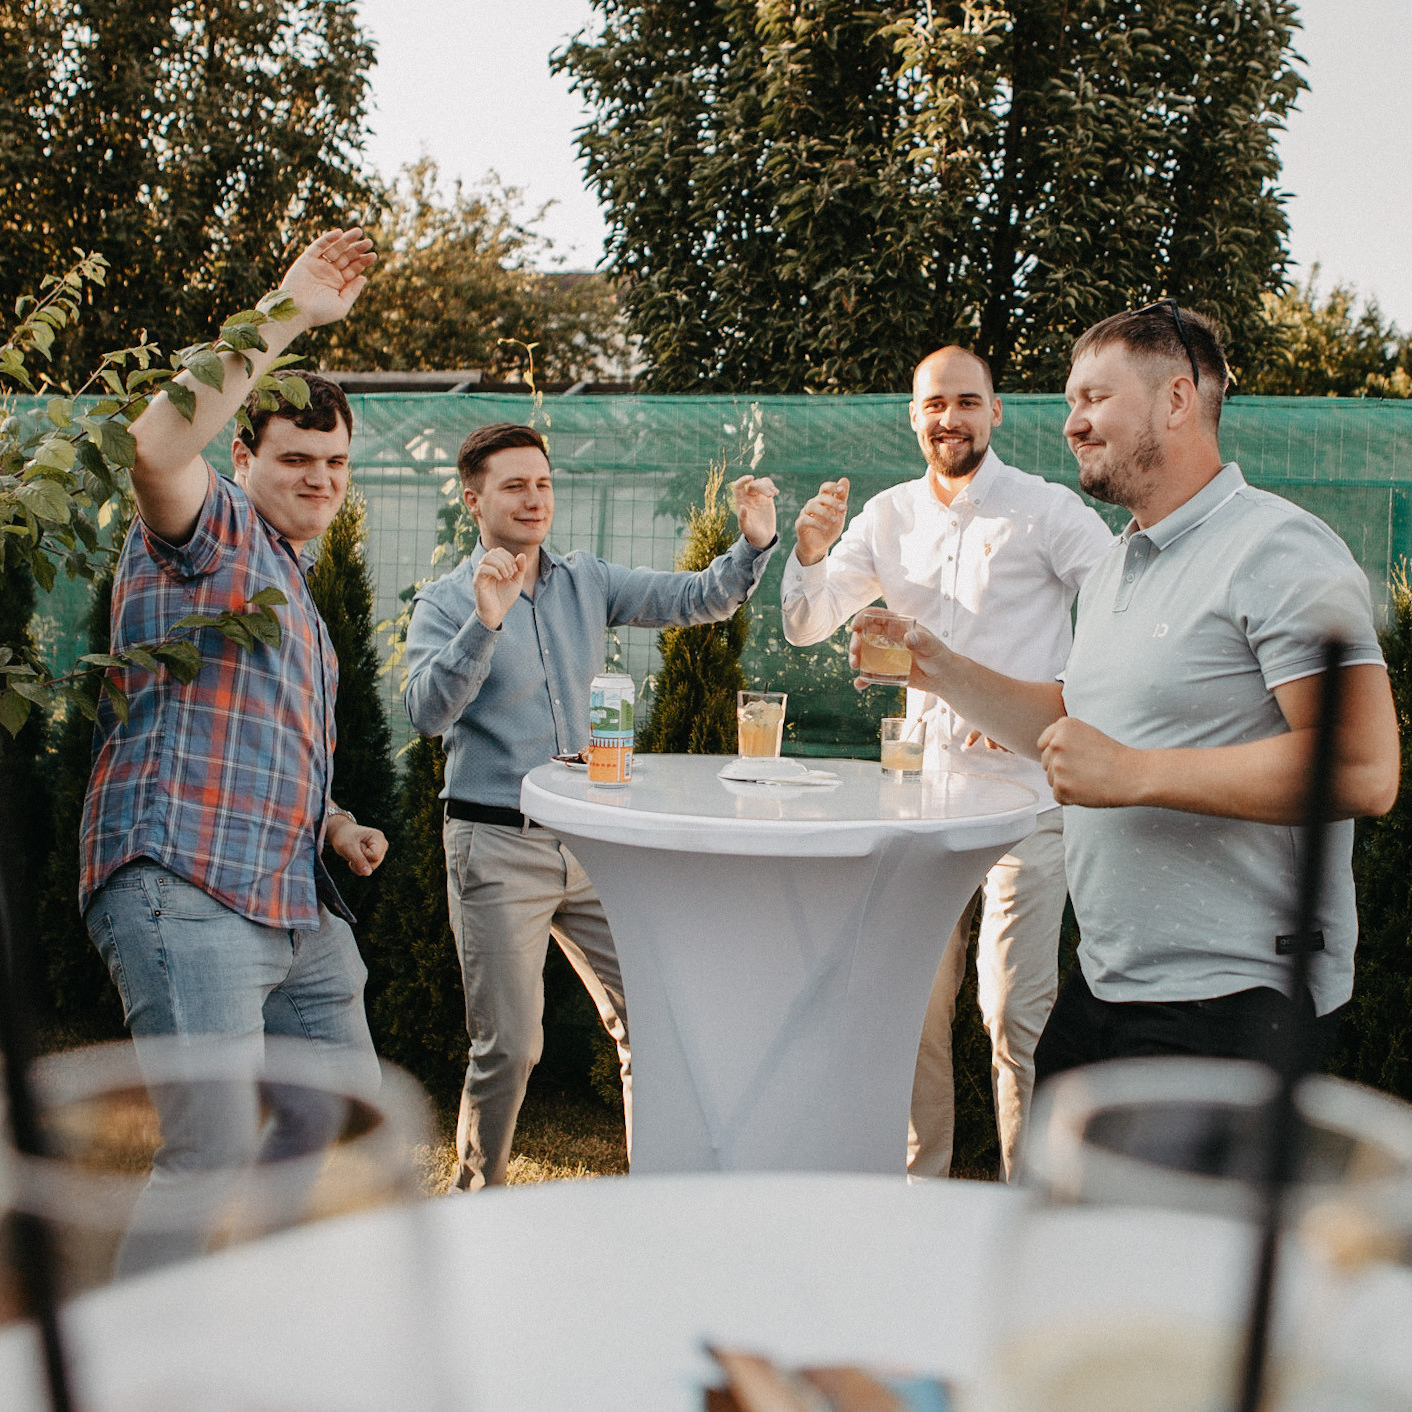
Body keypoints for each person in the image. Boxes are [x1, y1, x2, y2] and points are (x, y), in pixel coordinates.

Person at [901, 303, 1400, 1071]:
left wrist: (1133, 773)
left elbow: (1363, 767)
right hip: (1105, 984)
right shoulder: (1113, 566)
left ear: (1176, 399)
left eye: (1094, 398)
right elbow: (1073, 721)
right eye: (1070, 402)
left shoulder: (1278, 547)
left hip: (1237, 999)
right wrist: (937, 667)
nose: (1072, 423)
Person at [79, 229, 388, 1263]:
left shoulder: (292, 583)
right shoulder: (207, 534)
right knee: (209, 1157)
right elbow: (155, 448)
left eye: (335, 463)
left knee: (342, 1134)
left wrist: (332, 821)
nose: (320, 479)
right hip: (189, 884)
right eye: (296, 459)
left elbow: (258, 739)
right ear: (244, 459)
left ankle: (277, 1323)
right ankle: (137, 1350)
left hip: (295, 901)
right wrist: (287, 310)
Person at [403, 423, 781, 1191]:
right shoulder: (444, 602)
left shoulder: (586, 580)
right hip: (494, 846)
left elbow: (697, 598)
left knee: (652, 1021)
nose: (534, 498)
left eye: (542, 483)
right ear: (473, 501)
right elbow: (425, 714)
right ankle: (476, 1204)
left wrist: (753, 544)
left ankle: (652, 1196)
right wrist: (485, 620)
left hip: (585, 842)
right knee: (509, 1048)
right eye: (514, 485)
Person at [781, 346, 1115, 1181]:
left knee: (1013, 1013)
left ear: (995, 411)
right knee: (913, 1013)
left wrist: (1049, 702)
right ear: (913, 416)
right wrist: (811, 551)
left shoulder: (1046, 509)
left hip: (1027, 803)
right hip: (921, 802)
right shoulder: (887, 516)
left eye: (967, 402)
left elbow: (1122, 602)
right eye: (934, 404)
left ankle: (1027, 1202)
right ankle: (916, 1194)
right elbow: (806, 622)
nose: (950, 418)